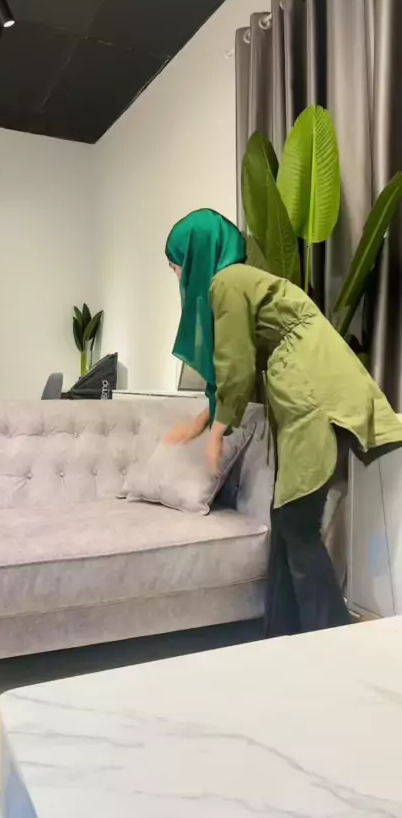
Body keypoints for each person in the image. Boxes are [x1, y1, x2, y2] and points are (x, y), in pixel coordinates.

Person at [165, 208, 402, 636]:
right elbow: (236, 365)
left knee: (297, 522)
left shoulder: (226, 283)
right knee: (287, 520)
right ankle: (283, 636)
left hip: (312, 391)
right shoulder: (239, 281)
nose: (177, 273)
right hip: (310, 388)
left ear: (196, 252)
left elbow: (236, 365)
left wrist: (216, 434)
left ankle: (333, 638)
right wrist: (205, 421)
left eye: (176, 262)